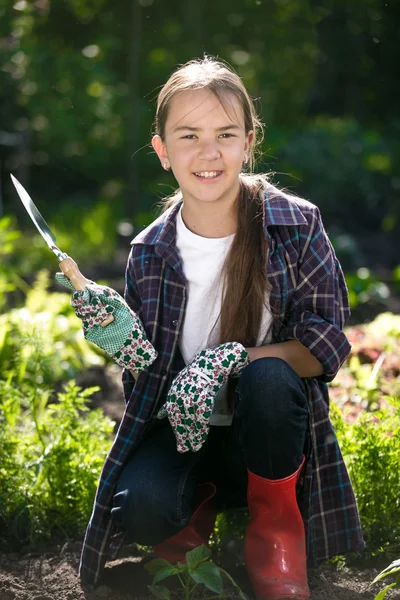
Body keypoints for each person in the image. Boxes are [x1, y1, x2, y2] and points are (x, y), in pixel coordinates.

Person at [59, 56, 365, 599]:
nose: (209, 153)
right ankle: (191, 526)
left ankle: (274, 539)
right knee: (142, 507)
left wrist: (233, 359)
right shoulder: (149, 251)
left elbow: (324, 348)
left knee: (270, 381)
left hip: (269, 442)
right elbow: (149, 380)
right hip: (184, 436)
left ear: (249, 141)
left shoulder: (296, 224)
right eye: (189, 136)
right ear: (162, 151)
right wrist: (120, 336)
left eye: (226, 134)